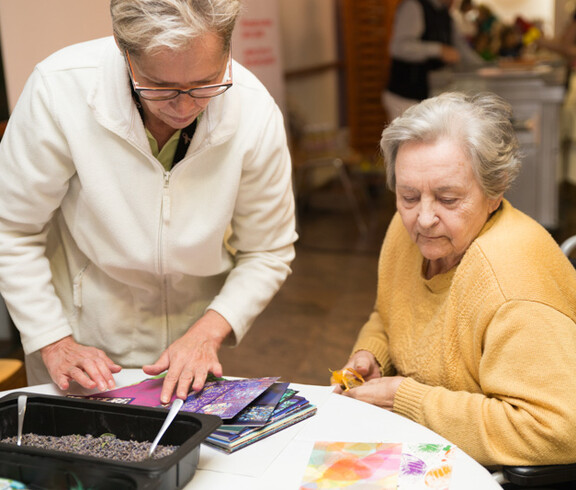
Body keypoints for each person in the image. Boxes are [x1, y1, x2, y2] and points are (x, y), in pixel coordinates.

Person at [0, 0, 297, 405]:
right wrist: (53, 341)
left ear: (227, 52)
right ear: (125, 54)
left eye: (206, 83)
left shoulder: (253, 110)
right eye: (161, 87)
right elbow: (11, 229)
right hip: (81, 348)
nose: (185, 106)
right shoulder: (60, 91)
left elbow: (268, 250)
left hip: (190, 350)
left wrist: (207, 332)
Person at [334, 91, 576, 467]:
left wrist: (406, 399)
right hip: (432, 449)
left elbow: (557, 430)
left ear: (495, 191)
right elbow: (389, 313)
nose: (424, 218)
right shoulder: (406, 230)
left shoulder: (511, 283)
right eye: (408, 195)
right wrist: (371, 354)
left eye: (448, 199)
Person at [383, 0, 483, 120]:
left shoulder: (444, 13)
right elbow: (399, 47)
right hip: (405, 96)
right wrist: (438, 50)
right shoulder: (414, 6)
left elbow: (460, 48)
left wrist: (483, 66)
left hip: (428, 95)